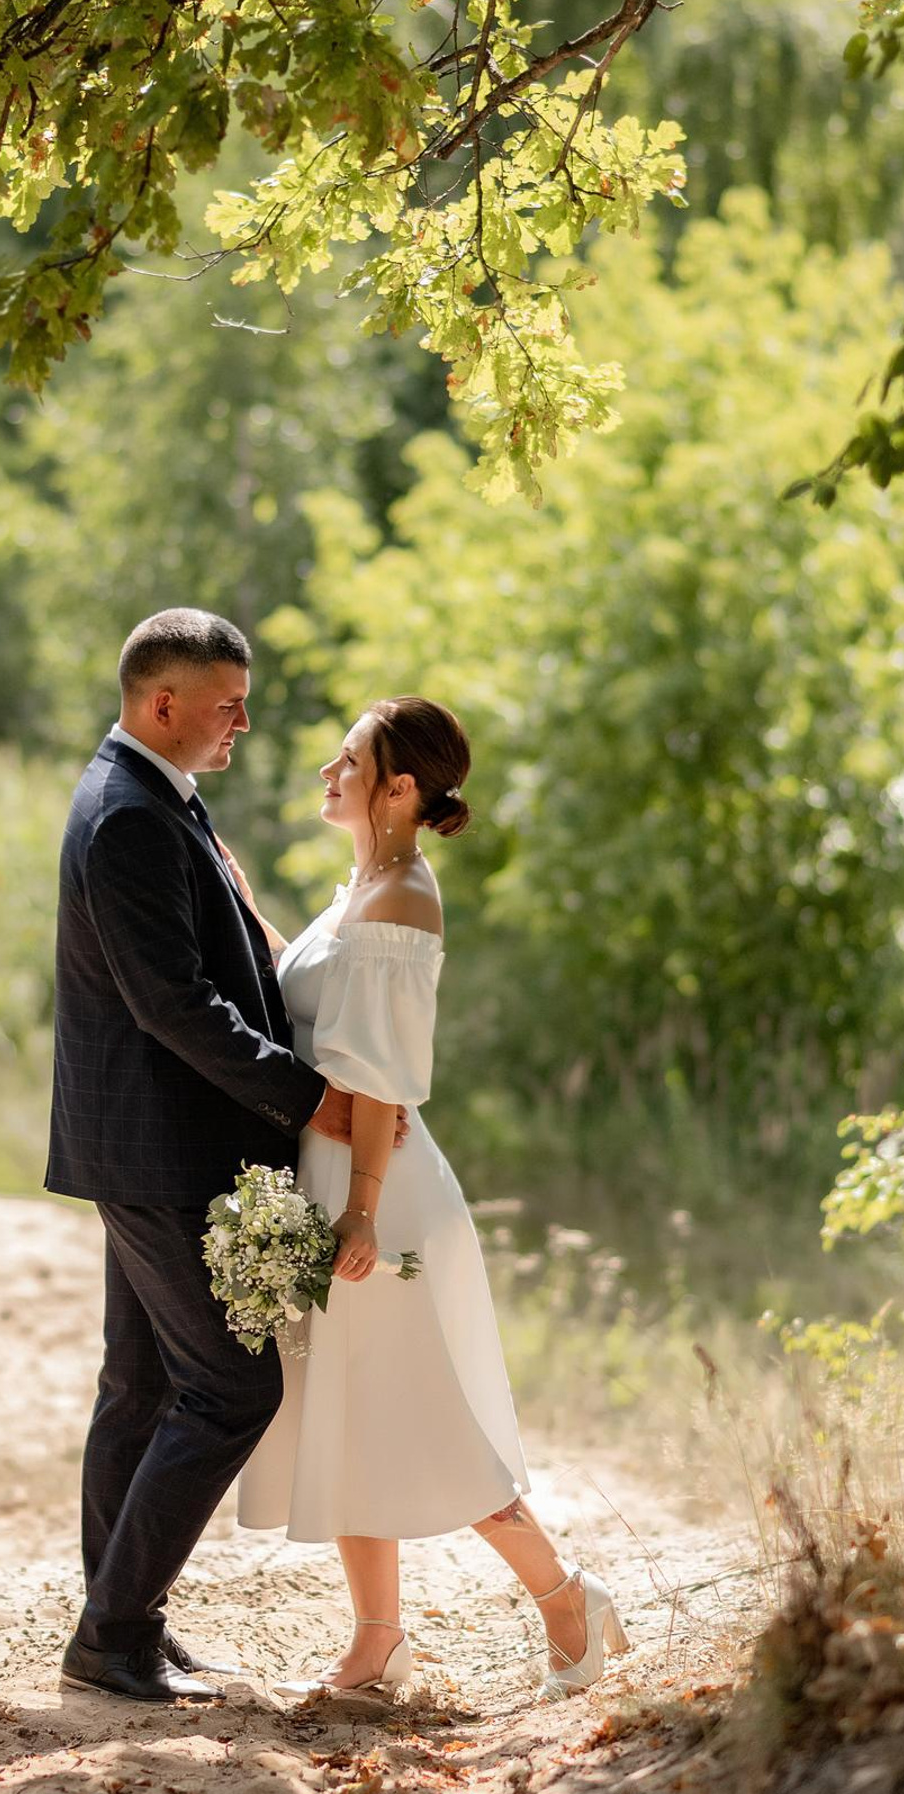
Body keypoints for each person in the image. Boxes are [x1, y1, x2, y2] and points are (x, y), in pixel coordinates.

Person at [232, 697, 631, 1703]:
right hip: (335, 1180)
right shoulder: (363, 887)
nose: (329, 769)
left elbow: (379, 1074)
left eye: (350, 758)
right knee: (352, 1412)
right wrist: (235, 890)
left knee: (427, 1418)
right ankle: (377, 1644)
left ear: (400, 788)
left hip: (384, 1195)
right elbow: (306, 986)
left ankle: (567, 1598)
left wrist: (361, 1208)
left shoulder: (405, 896)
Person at [46, 609, 406, 1705]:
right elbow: (175, 1006)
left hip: (148, 1142)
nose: (246, 722)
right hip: (163, 1150)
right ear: (165, 704)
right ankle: (113, 1634)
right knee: (228, 1388)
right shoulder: (128, 819)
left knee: (143, 1384)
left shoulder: (158, 799)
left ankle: (124, 1620)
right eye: (227, 703)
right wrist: (316, 1101)